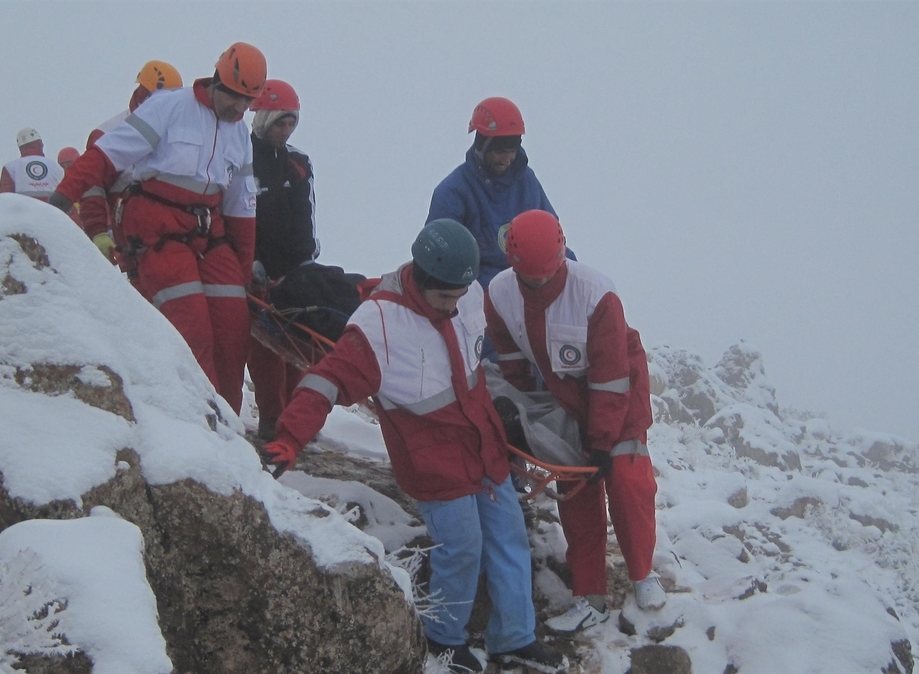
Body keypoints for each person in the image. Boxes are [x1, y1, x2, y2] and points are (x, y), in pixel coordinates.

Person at [261, 220, 568, 674]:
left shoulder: (466, 298)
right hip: (432, 458)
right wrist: (289, 437)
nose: (455, 305)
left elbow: (483, 353)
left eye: (461, 294)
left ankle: (514, 640)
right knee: (461, 546)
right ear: (421, 280)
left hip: (483, 445)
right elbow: (326, 380)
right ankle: (443, 638)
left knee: (508, 536)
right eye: (446, 297)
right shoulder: (378, 324)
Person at [49, 43, 264, 414]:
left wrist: (241, 274)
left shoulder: (240, 134)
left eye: (248, 101)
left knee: (233, 329)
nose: (241, 109)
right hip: (156, 226)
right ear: (217, 82)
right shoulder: (169, 108)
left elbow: (242, 206)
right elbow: (106, 156)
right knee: (192, 330)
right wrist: (63, 199)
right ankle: (202, 424)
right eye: (236, 98)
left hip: (207, 231)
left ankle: (228, 423)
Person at [484, 210, 666, 633]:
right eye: (532, 279)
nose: (541, 285)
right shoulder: (499, 294)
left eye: (548, 276)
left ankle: (643, 574)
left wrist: (601, 441)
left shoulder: (596, 295)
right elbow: (512, 360)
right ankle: (591, 596)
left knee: (626, 478)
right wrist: (527, 415)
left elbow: (610, 374)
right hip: (562, 395)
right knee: (576, 484)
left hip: (619, 390)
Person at [246, 79, 319, 440]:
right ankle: (272, 419)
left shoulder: (298, 164)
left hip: (293, 271)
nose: (285, 130)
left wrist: (308, 260)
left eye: (291, 123)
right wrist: (249, 262)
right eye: (279, 122)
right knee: (264, 352)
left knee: (298, 344)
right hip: (255, 272)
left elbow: (307, 215)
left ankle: (296, 417)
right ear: (262, 119)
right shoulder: (240, 158)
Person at [427, 97, 558, 293]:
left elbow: (553, 238)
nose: (507, 160)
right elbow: (439, 262)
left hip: (531, 284)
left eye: (512, 151)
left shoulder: (526, 181)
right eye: (499, 151)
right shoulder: (452, 193)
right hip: (478, 297)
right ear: (482, 145)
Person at [79, 60, 183, 264]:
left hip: (177, 243)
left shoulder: (178, 134)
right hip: (134, 246)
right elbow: (92, 185)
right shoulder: (109, 134)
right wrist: (98, 231)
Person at [0, 128, 64, 200]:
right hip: (50, 210)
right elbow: (66, 196)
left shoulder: (10, 168)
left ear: (20, 148)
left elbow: (5, 198)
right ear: (40, 144)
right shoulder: (57, 168)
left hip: (23, 210)